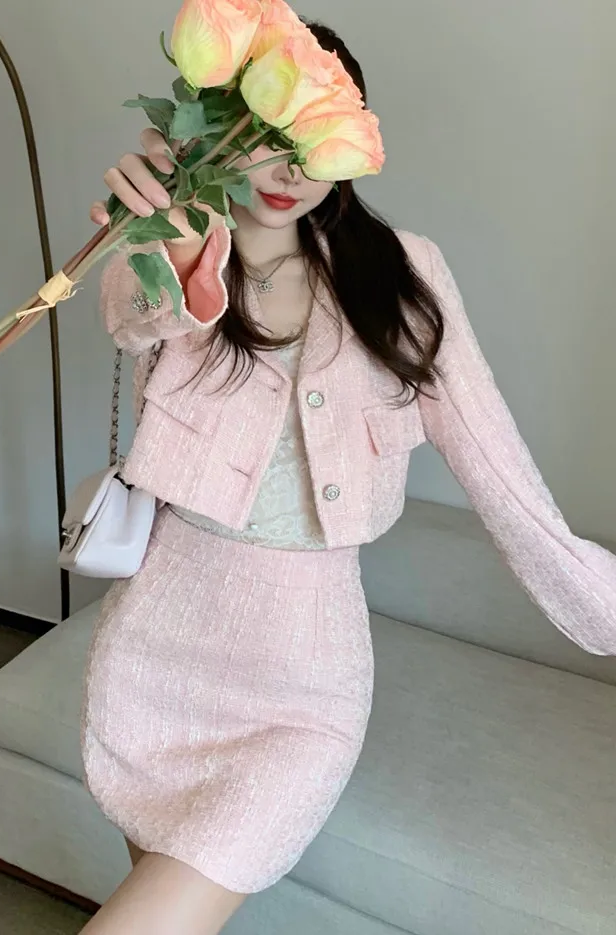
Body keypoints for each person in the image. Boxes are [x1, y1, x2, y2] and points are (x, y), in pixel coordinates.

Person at [80, 20, 616, 935]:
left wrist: (599, 603)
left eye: (313, 140)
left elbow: (494, 462)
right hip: (159, 642)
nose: (288, 170)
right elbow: (133, 317)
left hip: (304, 677)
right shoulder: (175, 247)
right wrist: (159, 237)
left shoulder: (403, 272)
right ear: (215, 129)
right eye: (263, 135)